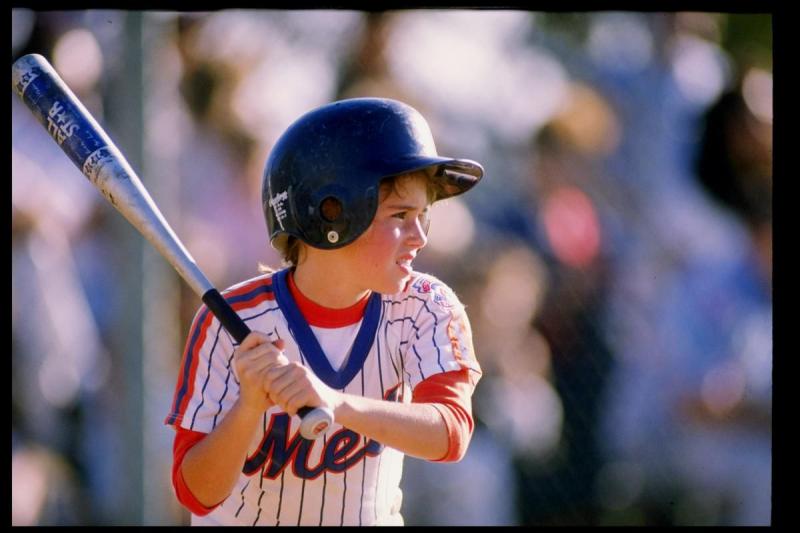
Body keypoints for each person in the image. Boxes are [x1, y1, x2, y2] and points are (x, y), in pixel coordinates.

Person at [163, 98, 485, 526]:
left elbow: (450, 431)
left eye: (423, 215)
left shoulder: (426, 306)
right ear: (332, 211)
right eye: (400, 215)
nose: (420, 236)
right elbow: (195, 493)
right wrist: (248, 407)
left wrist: (336, 403)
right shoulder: (233, 321)